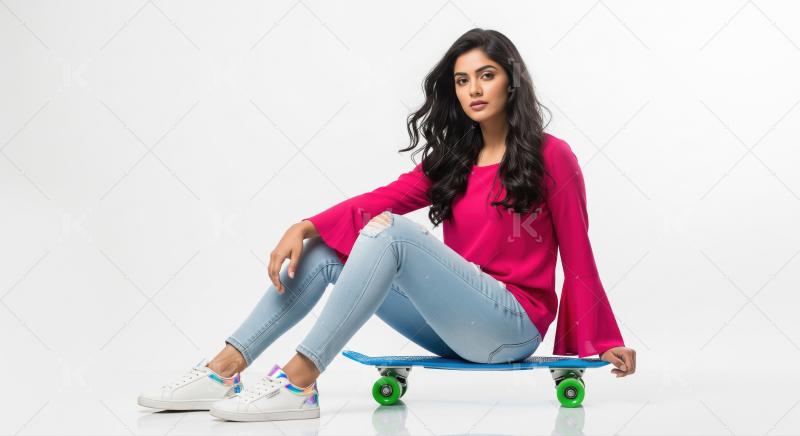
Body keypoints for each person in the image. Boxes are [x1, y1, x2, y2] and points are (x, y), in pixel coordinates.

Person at [137, 27, 637, 422]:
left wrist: (600, 341)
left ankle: (299, 381)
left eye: (486, 75)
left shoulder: (553, 157)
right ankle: (224, 369)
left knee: (391, 232)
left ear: (512, 79)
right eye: (462, 81)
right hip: (455, 326)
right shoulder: (454, 160)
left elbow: (578, 254)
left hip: (512, 325)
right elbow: (386, 197)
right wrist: (306, 224)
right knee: (323, 252)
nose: (473, 90)